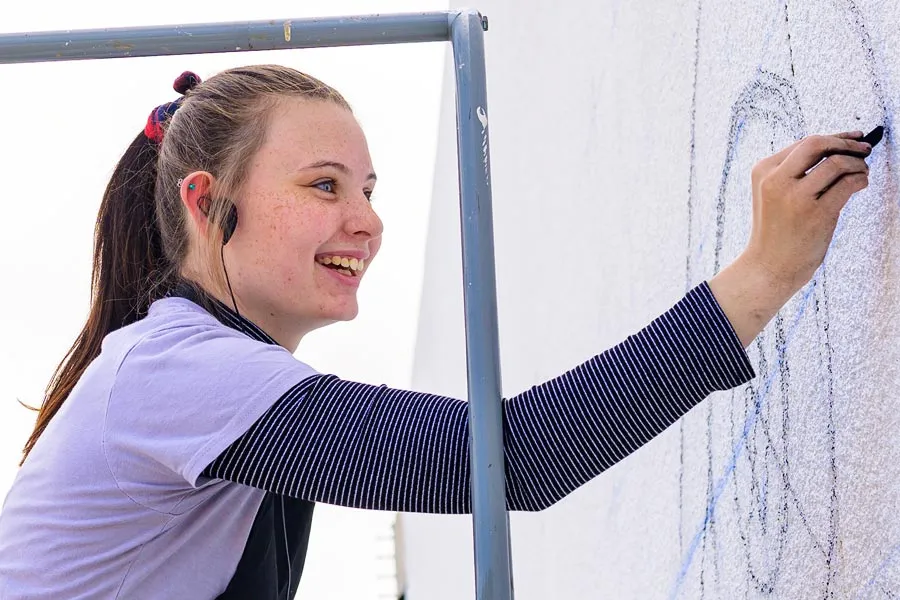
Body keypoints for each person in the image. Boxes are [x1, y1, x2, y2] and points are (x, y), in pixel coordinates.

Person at [0, 65, 872, 599]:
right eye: (324, 186)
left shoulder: (196, 375)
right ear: (206, 202)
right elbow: (511, 459)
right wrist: (764, 273)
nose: (367, 222)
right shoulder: (176, 372)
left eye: (369, 190)